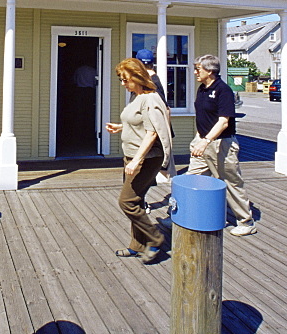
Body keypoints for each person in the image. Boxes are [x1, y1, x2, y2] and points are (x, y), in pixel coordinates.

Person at [105, 58, 173, 263]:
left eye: (125, 80)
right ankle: (136, 246)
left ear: (137, 76)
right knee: (137, 201)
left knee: (126, 201)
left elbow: (152, 133)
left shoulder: (151, 98)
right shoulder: (137, 97)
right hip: (133, 156)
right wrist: (120, 127)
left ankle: (155, 238)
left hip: (146, 158)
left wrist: (136, 161)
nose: (123, 84)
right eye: (120, 80)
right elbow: (139, 124)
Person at [188, 54, 256, 236]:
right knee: (191, 179)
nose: (195, 72)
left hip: (221, 145)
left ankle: (246, 221)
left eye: (198, 69)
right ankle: (182, 215)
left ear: (210, 71)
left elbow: (223, 122)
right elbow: (203, 117)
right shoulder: (202, 89)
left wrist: (205, 141)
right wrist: (198, 139)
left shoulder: (223, 90)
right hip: (202, 143)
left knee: (230, 183)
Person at [135, 49, 177, 182]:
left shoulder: (151, 83)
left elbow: (165, 109)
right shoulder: (153, 79)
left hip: (153, 132)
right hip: (153, 131)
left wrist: (165, 133)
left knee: (157, 169)